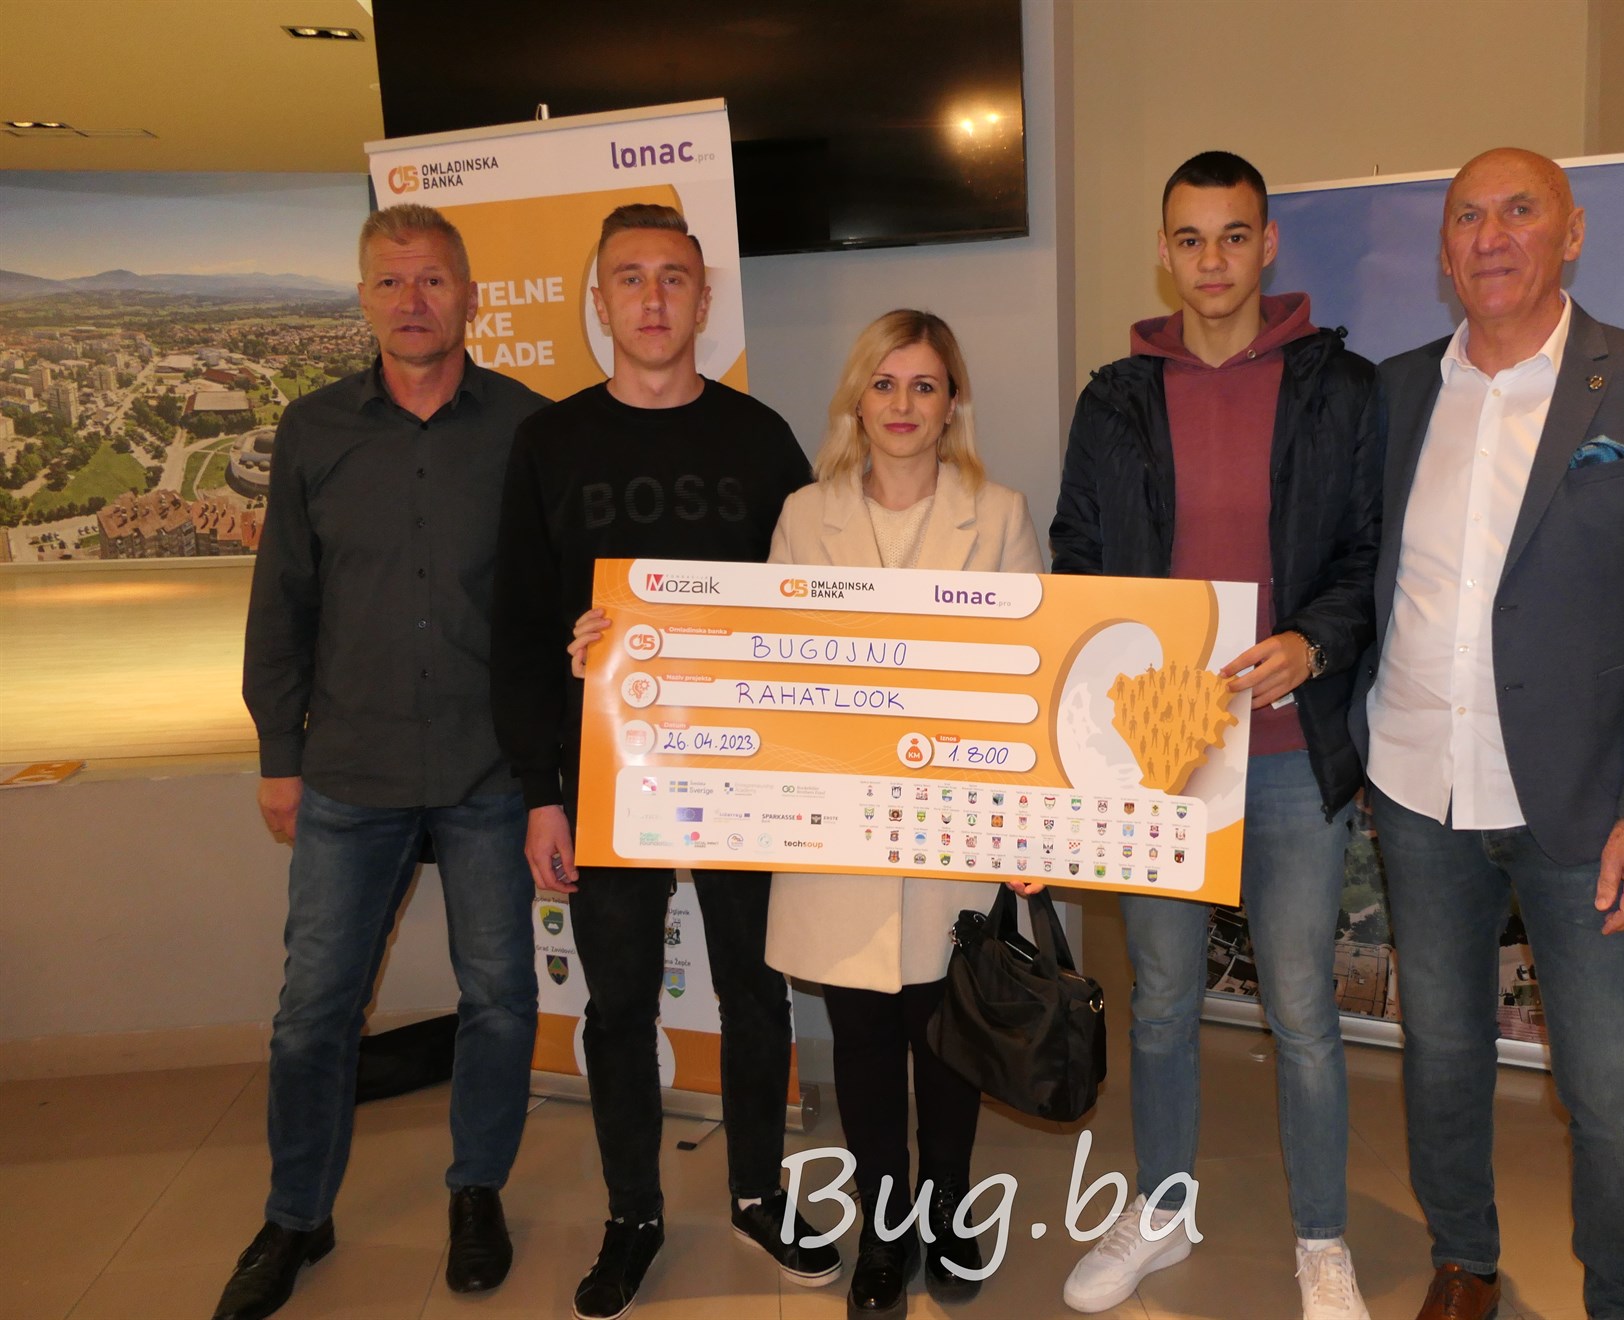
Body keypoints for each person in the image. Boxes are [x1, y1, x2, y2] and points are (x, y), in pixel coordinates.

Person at [572, 308, 1043, 1318]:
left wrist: (1026, 830)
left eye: (925, 385)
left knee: (947, 1036)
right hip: (838, 834)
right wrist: (622, 652)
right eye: (885, 383)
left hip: (952, 826)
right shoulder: (801, 514)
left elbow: (1029, 682)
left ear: (952, 402)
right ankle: (886, 1228)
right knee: (865, 1038)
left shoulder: (1000, 513)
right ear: (857, 399)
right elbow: (756, 661)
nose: (903, 405)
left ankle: (949, 1210)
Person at [1351, 147, 1624, 1320]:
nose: (1492, 235)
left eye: (1520, 210)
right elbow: (1360, 574)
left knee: (1611, 1089)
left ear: (1572, 232)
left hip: (1585, 807)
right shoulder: (1395, 392)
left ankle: (1623, 1301)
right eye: (1468, 216)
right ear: (1444, 248)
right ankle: (1462, 1262)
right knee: (1443, 1050)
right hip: (1418, 787)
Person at [1049, 150, 1384, 1320]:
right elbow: (1078, 562)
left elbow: (1367, 556)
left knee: (1301, 1011)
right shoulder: (1115, 400)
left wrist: (1311, 643)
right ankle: (1163, 1209)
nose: (1212, 261)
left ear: (1268, 244)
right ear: (1164, 251)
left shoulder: (1340, 389)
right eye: (1189, 239)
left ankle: (1322, 1240)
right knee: (1160, 999)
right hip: (1160, 754)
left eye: (1234, 235)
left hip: (1288, 751)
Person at [489, 202, 839, 1320]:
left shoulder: (760, 439)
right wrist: (540, 793)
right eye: (630, 278)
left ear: (703, 299)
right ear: (599, 302)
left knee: (755, 992)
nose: (652, 298)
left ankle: (756, 1194)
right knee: (619, 1006)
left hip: (744, 775)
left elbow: (808, 611)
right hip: (606, 781)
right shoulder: (548, 444)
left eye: (673, 278)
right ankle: (632, 1213)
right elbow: (517, 628)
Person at [224, 204, 548, 1320]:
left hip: (488, 771)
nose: (413, 301)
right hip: (347, 771)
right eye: (391, 282)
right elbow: (282, 600)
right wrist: (279, 752)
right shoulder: (312, 430)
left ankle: (477, 1191)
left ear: (471, 297)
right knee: (312, 1011)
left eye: (434, 280)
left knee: (499, 998)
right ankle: (295, 1216)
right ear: (363, 299)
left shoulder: (529, 428)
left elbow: (556, 600)